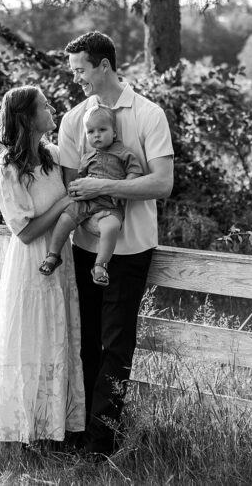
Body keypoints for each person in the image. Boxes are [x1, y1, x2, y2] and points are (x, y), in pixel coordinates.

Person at [57, 31, 174, 457]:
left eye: (80, 70)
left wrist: (104, 186)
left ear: (103, 65)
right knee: (85, 341)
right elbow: (71, 187)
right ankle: (78, 430)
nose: (76, 79)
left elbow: (162, 183)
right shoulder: (74, 120)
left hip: (131, 248)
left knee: (116, 343)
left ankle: (102, 443)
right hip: (84, 245)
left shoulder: (149, 114)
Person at [0, 85, 86, 452]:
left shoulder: (54, 156)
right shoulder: (7, 170)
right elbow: (23, 232)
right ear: (26, 117)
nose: (51, 108)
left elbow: (77, 194)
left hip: (61, 259)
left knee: (56, 339)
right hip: (30, 264)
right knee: (28, 343)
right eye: (43, 105)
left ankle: (51, 433)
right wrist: (62, 204)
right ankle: (18, 433)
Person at [40, 104, 143, 287]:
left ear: (114, 133)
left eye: (102, 130)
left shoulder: (124, 153)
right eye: (91, 131)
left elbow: (135, 172)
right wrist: (75, 189)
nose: (96, 135)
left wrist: (124, 187)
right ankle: (53, 255)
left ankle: (100, 266)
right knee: (64, 219)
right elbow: (79, 178)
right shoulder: (86, 157)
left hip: (110, 204)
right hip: (85, 202)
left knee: (111, 227)